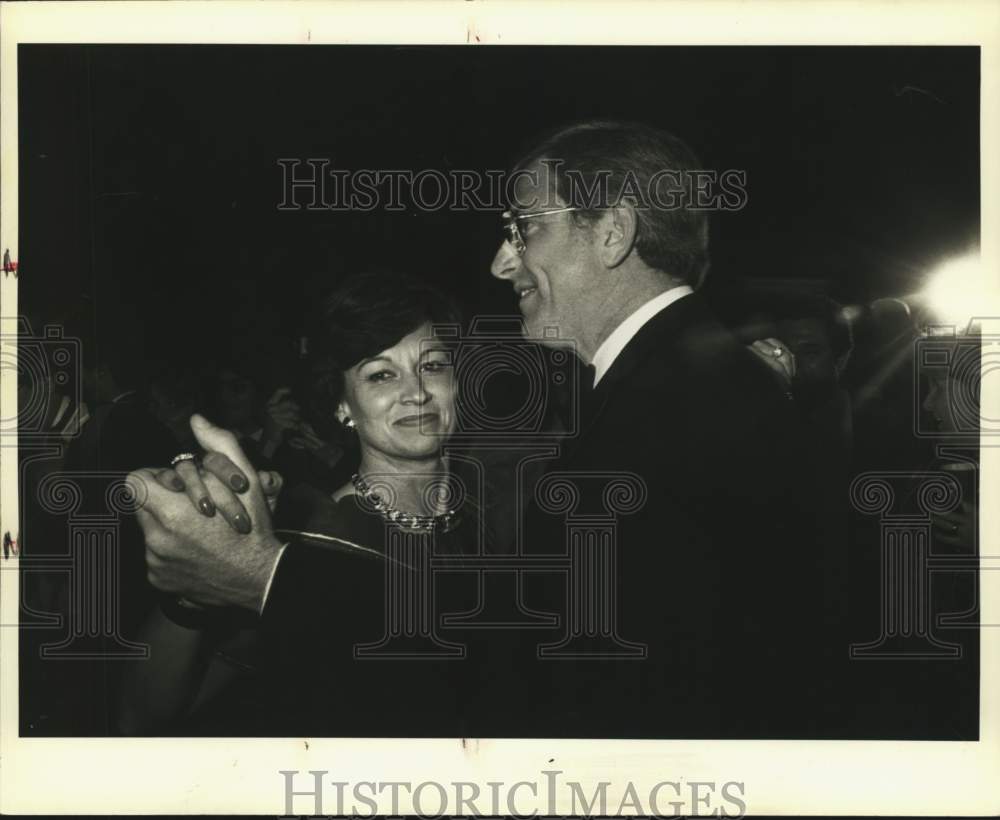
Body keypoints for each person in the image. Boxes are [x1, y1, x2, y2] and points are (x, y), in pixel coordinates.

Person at [484, 120, 832, 736]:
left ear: (613, 233)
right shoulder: (695, 379)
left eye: (526, 228)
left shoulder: (670, 406)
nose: (501, 262)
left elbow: (606, 684)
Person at [123, 272, 480, 735]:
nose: (416, 391)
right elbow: (144, 716)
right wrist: (190, 597)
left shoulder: (498, 511)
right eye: (381, 374)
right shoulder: (317, 534)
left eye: (432, 365)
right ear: (341, 406)